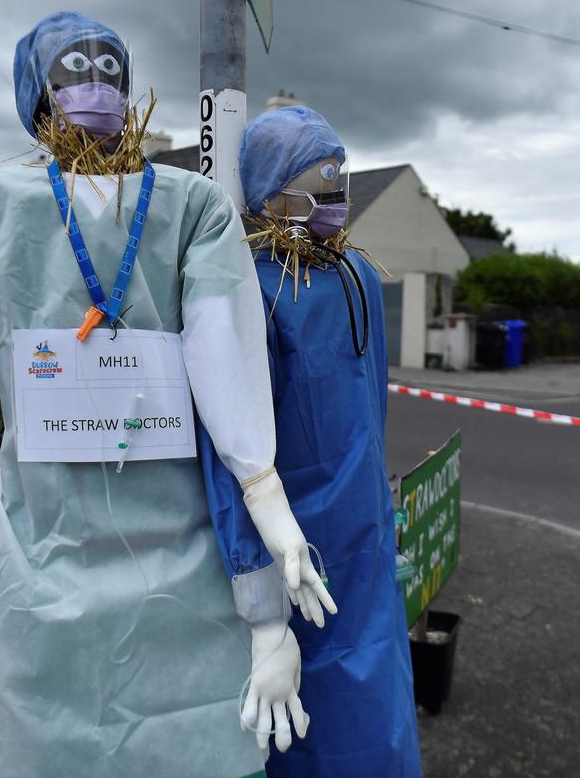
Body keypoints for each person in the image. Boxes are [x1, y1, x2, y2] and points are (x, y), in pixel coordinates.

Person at [0, 12, 331, 778]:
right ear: (36, 91)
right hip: (37, 560)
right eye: (73, 69)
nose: (96, 86)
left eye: (111, 69)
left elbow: (230, 368)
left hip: (181, 567)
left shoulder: (193, 208)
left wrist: (269, 513)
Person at [199, 106, 423, 777]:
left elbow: (370, 408)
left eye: (339, 185)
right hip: (297, 556)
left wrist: (381, 518)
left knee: (381, 715)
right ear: (269, 193)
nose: (333, 204)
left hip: (364, 542)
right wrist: (259, 599)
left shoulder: (357, 276)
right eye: (314, 189)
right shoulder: (250, 290)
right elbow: (229, 452)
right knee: (309, 731)